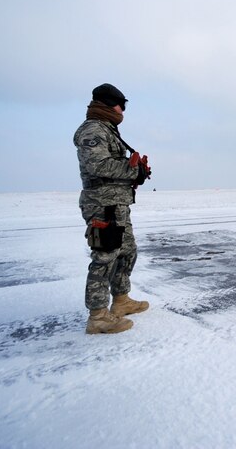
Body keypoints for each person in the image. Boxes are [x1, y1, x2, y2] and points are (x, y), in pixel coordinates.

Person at [74, 83, 151, 334]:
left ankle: (121, 301)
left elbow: (113, 166)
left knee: (127, 250)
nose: (123, 110)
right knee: (105, 257)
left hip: (118, 204)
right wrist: (131, 168)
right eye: (121, 105)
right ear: (108, 104)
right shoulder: (92, 130)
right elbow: (97, 166)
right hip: (102, 205)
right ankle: (97, 316)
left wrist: (136, 173)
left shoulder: (108, 129)